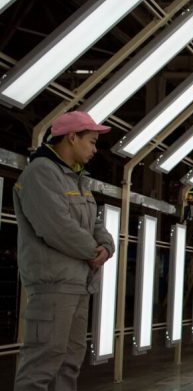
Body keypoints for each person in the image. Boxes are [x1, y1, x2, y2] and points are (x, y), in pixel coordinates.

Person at [13, 111, 115, 391]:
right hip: (53, 285)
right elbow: (57, 227)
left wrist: (107, 246)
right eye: (92, 141)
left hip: (79, 284)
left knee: (69, 363)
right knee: (43, 362)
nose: (95, 149)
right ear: (72, 137)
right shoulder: (40, 174)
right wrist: (93, 251)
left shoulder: (77, 180)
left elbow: (95, 223)